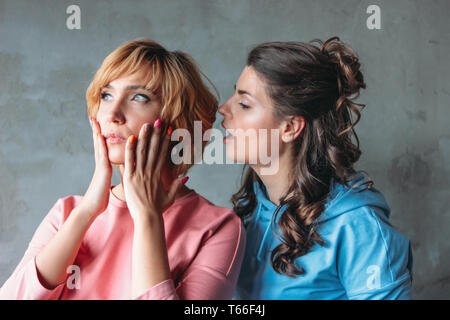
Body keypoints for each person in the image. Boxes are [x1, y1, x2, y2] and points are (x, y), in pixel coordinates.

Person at [0, 39, 245, 300]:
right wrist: (86, 212)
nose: (113, 113)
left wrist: (148, 218)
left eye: (139, 97)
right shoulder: (67, 212)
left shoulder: (218, 227)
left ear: (179, 120)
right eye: (106, 95)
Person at [218, 37, 413, 299]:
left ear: (289, 128)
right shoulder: (250, 213)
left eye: (244, 104)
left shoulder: (357, 227)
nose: (223, 109)